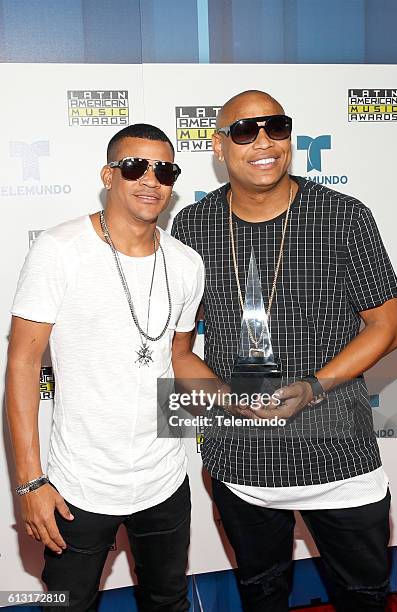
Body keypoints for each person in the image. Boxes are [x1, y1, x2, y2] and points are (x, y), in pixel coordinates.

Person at [171, 90, 397, 612]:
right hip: (241, 462)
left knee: (365, 597)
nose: (263, 142)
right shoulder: (192, 226)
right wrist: (227, 401)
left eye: (276, 128)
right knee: (261, 592)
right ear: (218, 145)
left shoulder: (343, 216)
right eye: (244, 131)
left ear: (289, 137)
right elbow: (179, 349)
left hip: (338, 457)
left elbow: (388, 328)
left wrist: (312, 386)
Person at [6, 123, 205, 612]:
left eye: (165, 170)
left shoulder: (186, 264)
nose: (151, 180)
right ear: (108, 175)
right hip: (79, 487)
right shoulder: (60, 249)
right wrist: (31, 482)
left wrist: (242, 399)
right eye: (135, 166)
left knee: (169, 601)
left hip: (164, 482)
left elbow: (179, 356)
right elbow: (23, 364)